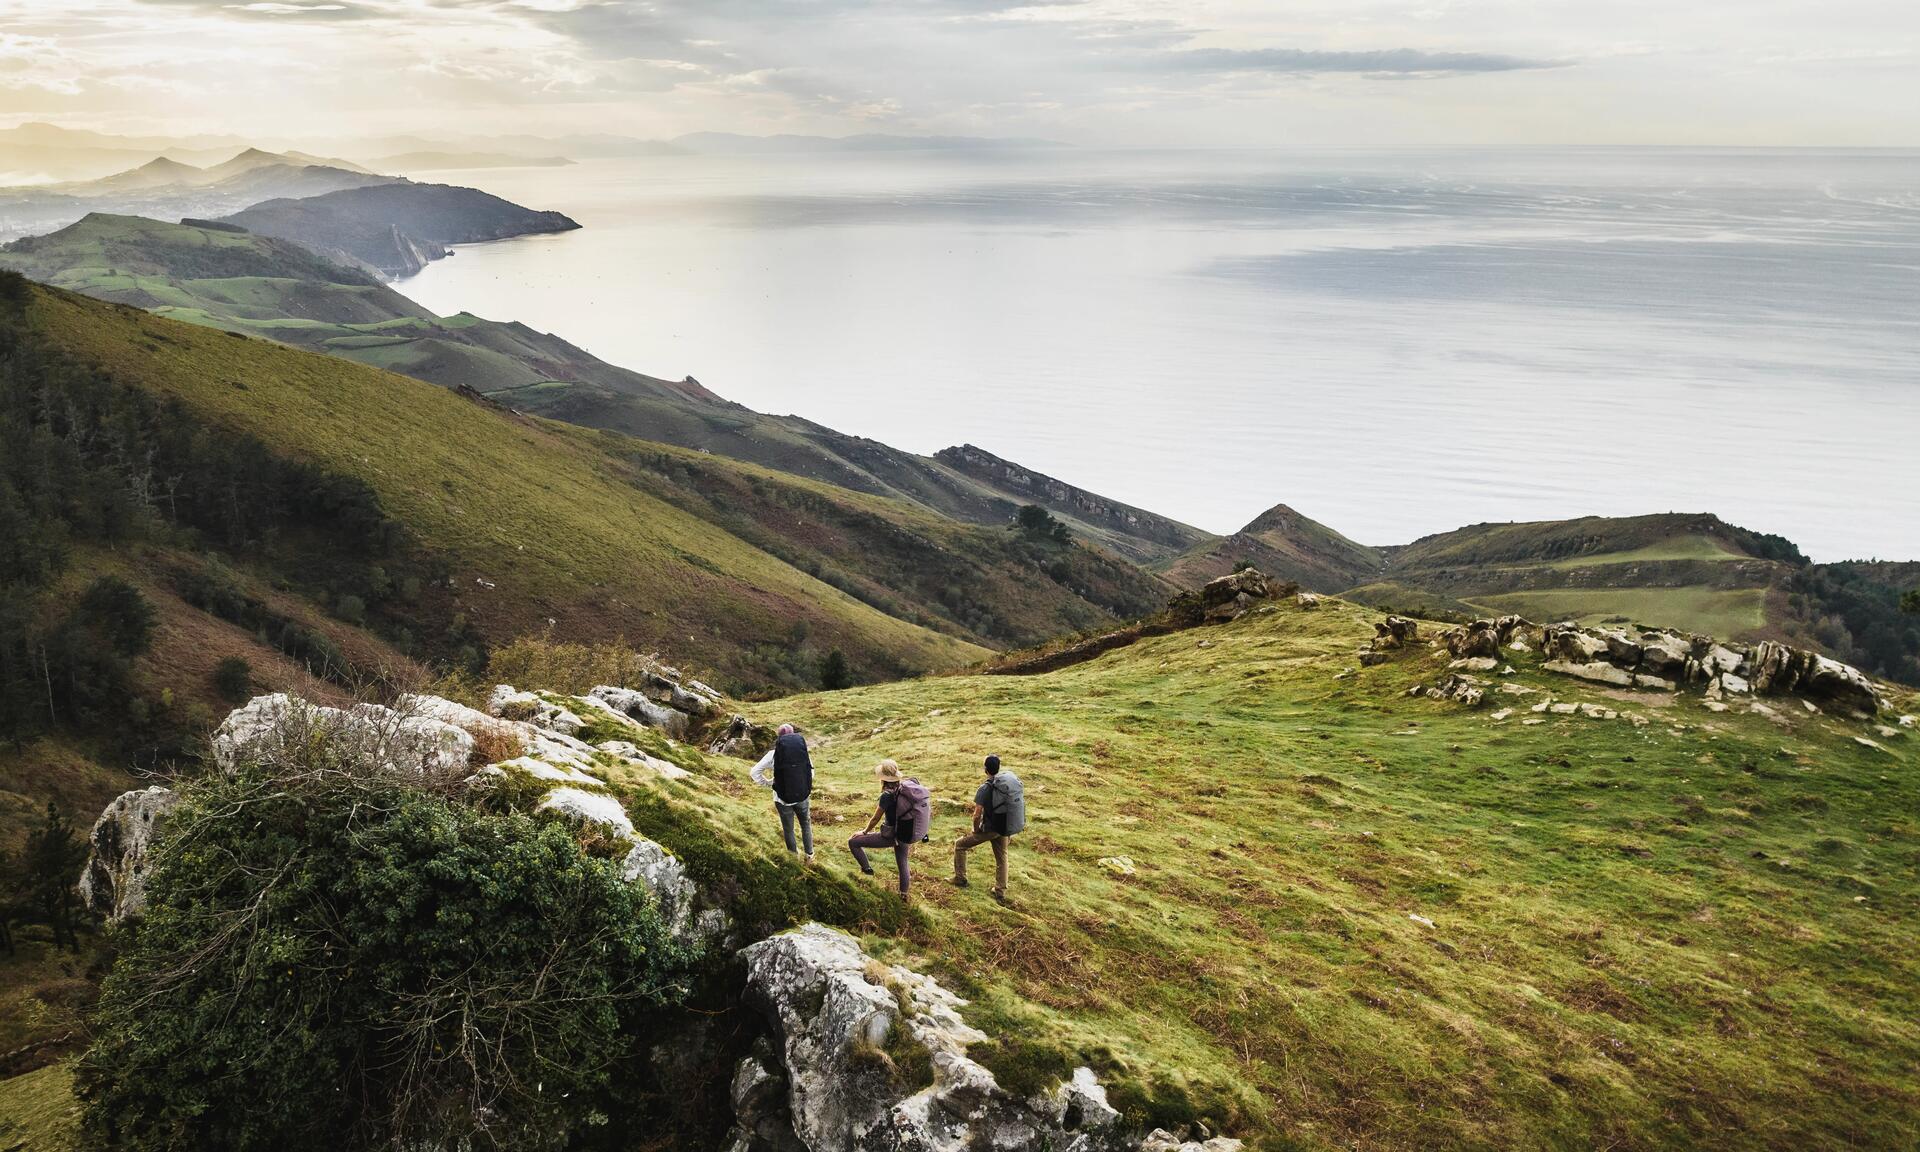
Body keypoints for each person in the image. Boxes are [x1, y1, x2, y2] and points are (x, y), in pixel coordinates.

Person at [953, 755, 1022, 903]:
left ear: (985, 769)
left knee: (960, 845)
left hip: (990, 829)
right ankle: (1000, 891)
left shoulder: (985, 788)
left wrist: (976, 830)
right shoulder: (1005, 784)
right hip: (1003, 828)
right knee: (1002, 858)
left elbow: (977, 814)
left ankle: (960, 878)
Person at [848, 760, 918, 899]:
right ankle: (904, 895)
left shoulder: (887, 795)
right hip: (905, 831)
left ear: (883, 778)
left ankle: (867, 871)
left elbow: (875, 818)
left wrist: (864, 832)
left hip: (891, 834)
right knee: (903, 862)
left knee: (853, 842)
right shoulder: (903, 788)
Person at [751, 723, 813, 862]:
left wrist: (768, 783)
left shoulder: (772, 755)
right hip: (802, 797)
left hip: (782, 799)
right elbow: (811, 772)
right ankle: (809, 856)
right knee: (805, 824)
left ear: (779, 738)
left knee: (788, 829)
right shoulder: (802, 751)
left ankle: (793, 857)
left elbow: (754, 772)